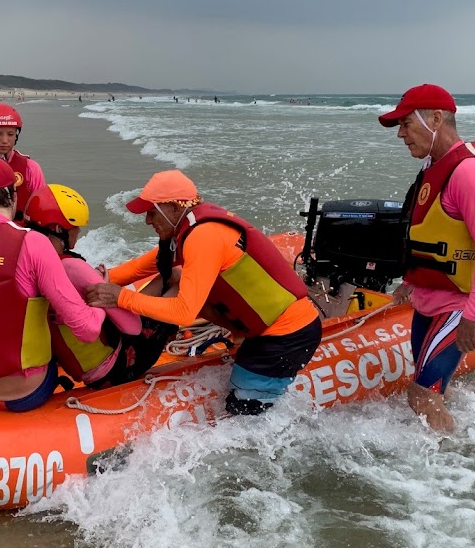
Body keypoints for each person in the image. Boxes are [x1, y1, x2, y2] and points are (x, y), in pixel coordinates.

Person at [86, 170, 322, 415]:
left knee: (241, 414)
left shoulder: (203, 236)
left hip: (287, 335)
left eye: (152, 211)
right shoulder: (187, 230)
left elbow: (183, 312)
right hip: (262, 330)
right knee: (175, 277)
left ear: (175, 208)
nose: (147, 220)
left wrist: (121, 297)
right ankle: (240, 337)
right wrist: (87, 280)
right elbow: (137, 268)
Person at [378, 84, 475, 434]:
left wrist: (473, 315)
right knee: (435, 388)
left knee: (420, 394)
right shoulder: (433, 166)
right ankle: (443, 449)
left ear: (436, 119)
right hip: (428, 302)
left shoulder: (469, 172)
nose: (401, 135)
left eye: (405, 124)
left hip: (458, 306)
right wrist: (411, 280)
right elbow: (433, 232)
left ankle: (452, 466)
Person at [0, 155, 106, 411]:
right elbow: (87, 329)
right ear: (13, 196)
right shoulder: (32, 243)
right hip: (24, 393)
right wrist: (102, 294)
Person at [23, 184, 180, 388]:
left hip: (78, 367)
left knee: (161, 280)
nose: (78, 232)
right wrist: (104, 289)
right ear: (59, 229)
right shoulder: (73, 267)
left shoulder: (24, 262)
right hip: (116, 368)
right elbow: (132, 327)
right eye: (76, 227)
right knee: (176, 277)